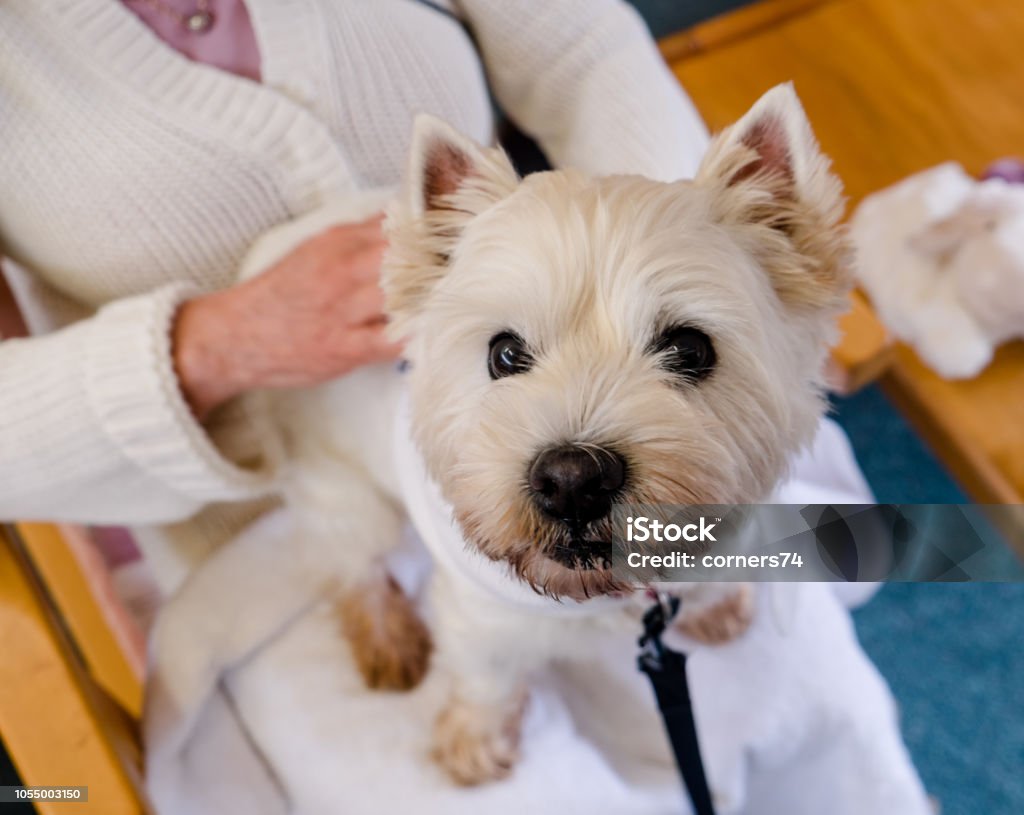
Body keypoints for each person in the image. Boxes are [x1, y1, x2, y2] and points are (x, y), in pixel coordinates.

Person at [0, 0, 710, 591]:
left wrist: (666, 274)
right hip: (265, 548)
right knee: (498, 727)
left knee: (809, 562)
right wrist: (204, 348)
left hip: (641, 455)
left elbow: (582, 47)